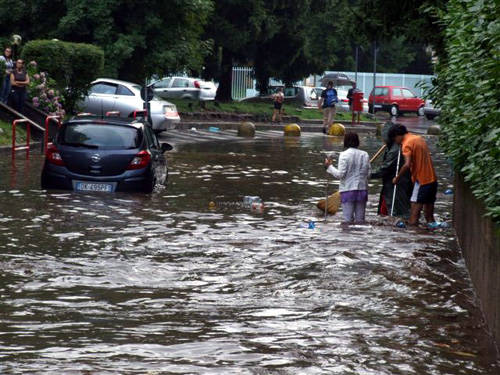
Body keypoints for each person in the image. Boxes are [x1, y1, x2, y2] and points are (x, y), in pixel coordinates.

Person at [390, 124, 438, 226]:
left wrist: (397, 178)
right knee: (430, 218)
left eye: (394, 139)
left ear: (397, 135)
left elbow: (407, 165)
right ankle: (430, 236)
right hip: (432, 179)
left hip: (422, 180)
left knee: (413, 218)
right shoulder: (419, 138)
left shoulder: (406, 144)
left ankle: (414, 237)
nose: (396, 142)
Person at [324, 132, 371, 223]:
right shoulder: (365, 154)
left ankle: (348, 237)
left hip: (348, 190)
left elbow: (340, 174)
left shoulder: (344, 155)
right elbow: (368, 174)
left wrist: (329, 167)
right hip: (362, 190)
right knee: (360, 221)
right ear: (357, 142)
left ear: (345, 142)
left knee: (347, 221)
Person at [371, 122, 412, 218]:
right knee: (384, 213)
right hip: (389, 186)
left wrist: (368, 174)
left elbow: (384, 169)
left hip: (397, 186)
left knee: (397, 212)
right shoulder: (389, 147)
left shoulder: (395, 150)